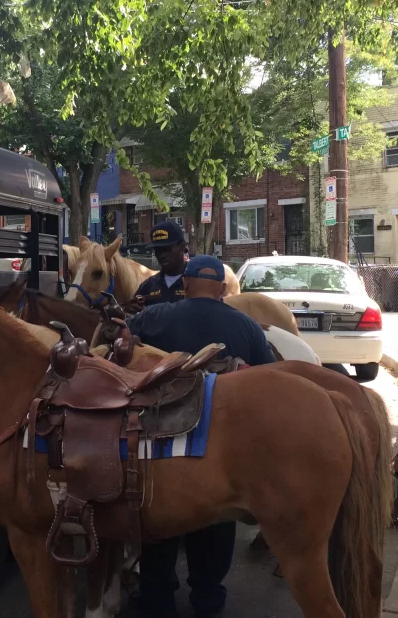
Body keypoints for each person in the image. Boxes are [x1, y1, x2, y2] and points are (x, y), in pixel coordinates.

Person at [125, 255, 274, 618]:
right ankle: (208, 600)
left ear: (186, 285)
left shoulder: (155, 317)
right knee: (216, 527)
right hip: (221, 452)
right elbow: (270, 379)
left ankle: (157, 600)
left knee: (156, 527)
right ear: (223, 291)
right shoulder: (246, 326)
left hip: (159, 449)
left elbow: (123, 349)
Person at [124, 220, 189, 313]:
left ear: (182, 246)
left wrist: (149, 314)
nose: (162, 255)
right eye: (158, 250)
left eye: (167, 249)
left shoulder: (197, 282)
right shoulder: (148, 286)